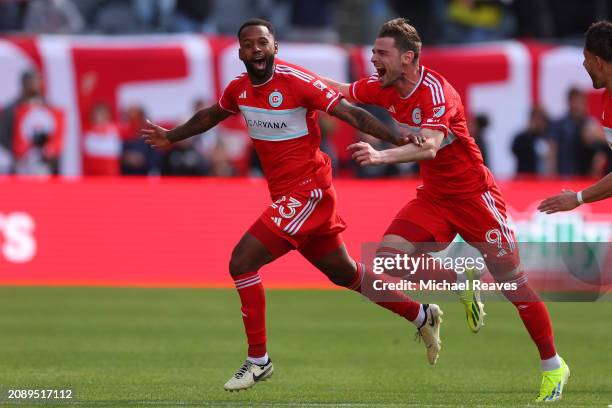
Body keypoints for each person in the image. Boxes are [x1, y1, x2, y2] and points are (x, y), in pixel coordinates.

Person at [142, 18, 444, 392]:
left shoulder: (296, 81)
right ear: (240, 53)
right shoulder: (239, 89)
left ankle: (258, 360)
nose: (256, 49)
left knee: (242, 261)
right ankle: (421, 314)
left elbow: (350, 112)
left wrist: (395, 135)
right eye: (248, 44)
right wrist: (172, 136)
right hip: (289, 197)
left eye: (262, 43)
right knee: (345, 274)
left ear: (275, 48)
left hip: (308, 193)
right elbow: (211, 116)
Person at [322, 18, 568, 402]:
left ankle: (553, 365)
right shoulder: (383, 87)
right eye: (372, 52)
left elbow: (431, 146)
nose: (373, 59)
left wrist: (380, 155)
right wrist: (286, 74)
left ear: (407, 58)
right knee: (389, 259)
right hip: (435, 197)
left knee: (514, 285)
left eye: (381, 53)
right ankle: (459, 280)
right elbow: (337, 90)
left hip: (475, 198)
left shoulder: (438, 92)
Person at [538, 20, 612, 213]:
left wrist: (578, 198)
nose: (584, 64)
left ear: (597, 61)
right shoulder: (606, 99)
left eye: (585, 58)